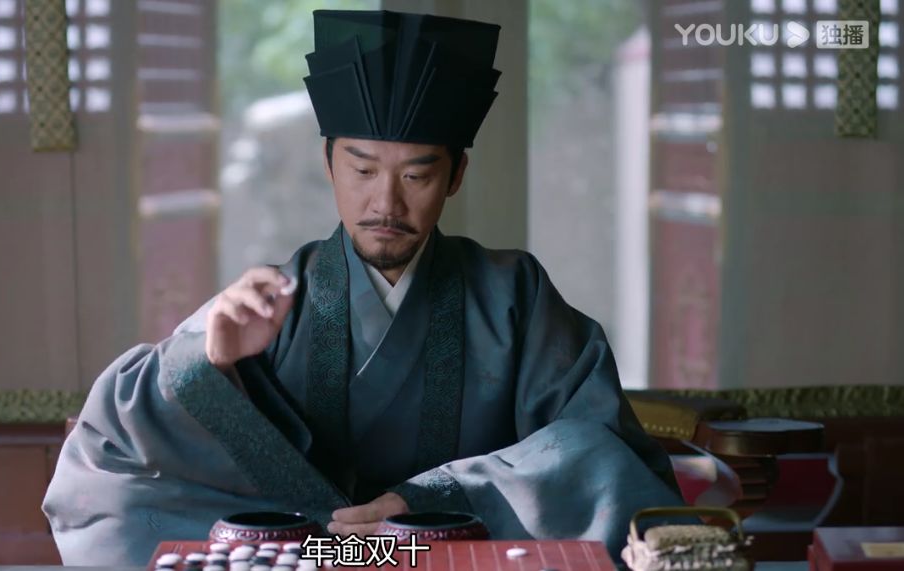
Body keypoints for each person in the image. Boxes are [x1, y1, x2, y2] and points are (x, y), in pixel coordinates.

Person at [43, 9, 685, 565]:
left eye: (416, 175)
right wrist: (212, 360)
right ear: (329, 163)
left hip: (460, 551)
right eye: (362, 169)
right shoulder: (273, 299)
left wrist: (437, 496)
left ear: (456, 175)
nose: (386, 203)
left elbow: (600, 448)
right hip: (310, 554)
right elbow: (109, 440)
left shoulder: (513, 294)